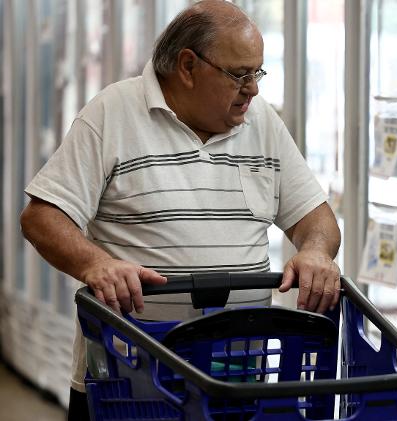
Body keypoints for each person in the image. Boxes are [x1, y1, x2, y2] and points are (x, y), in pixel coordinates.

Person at [19, 1, 341, 419]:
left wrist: (315, 250)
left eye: (257, 73)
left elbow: (315, 217)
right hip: (128, 383)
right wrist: (96, 264)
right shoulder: (112, 113)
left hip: (238, 382)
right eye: (240, 75)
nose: (254, 89)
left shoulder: (262, 123)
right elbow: (42, 217)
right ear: (188, 67)